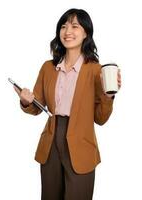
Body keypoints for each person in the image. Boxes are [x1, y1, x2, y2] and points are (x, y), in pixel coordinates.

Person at [14, 8, 122, 200]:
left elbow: (100, 118)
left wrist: (108, 96)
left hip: (82, 144)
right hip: (51, 141)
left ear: (86, 32)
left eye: (74, 26)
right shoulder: (48, 68)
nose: (67, 31)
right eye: (63, 27)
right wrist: (26, 101)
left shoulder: (95, 70)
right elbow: (37, 106)